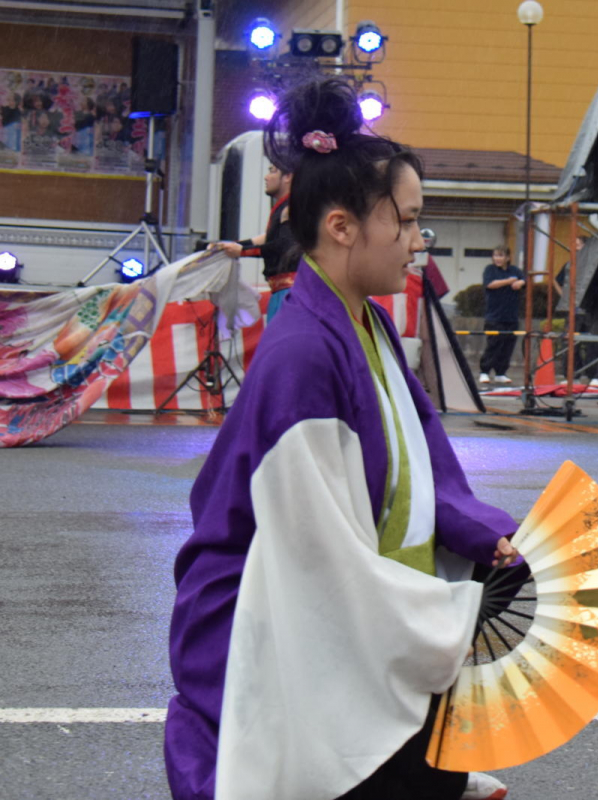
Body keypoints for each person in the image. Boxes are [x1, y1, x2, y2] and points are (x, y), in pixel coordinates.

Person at [164, 78, 514, 800]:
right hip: (260, 613)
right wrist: (451, 611)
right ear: (341, 226)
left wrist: (487, 535)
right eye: (409, 222)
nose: (421, 243)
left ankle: (416, 768)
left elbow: (426, 466)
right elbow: (320, 561)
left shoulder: (364, 322)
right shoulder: (304, 353)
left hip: (329, 589)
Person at [211, 163, 297, 321]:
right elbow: (268, 238)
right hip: (283, 292)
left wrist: (241, 251)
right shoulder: (283, 207)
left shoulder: (293, 207)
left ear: (288, 177)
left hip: (290, 293)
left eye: (272, 171)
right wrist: (229, 246)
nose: (266, 177)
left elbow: (284, 245)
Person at [553, 235, 598, 386]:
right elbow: (556, 281)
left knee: (593, 342)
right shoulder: (569, 264)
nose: (575, 247)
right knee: (571, 342)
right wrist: (564, 296)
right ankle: (572, 373)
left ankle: (594, 374)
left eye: (578, 245)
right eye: (574, 244)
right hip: (573, 309)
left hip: (590, 309)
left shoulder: (594, 266)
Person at [478, 245, 524, 385]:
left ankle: (501, 372)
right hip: (494, 315)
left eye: (501, 256)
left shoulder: (515, 270)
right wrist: (510, 281)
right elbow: (491, 284)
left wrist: (520, 282)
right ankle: (484, 371)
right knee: (493, 344)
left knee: (508, 345)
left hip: (511, 315)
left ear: (508, 258)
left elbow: (524, 279)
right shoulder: (490, 270)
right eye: (496, 255)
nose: (498, 258)